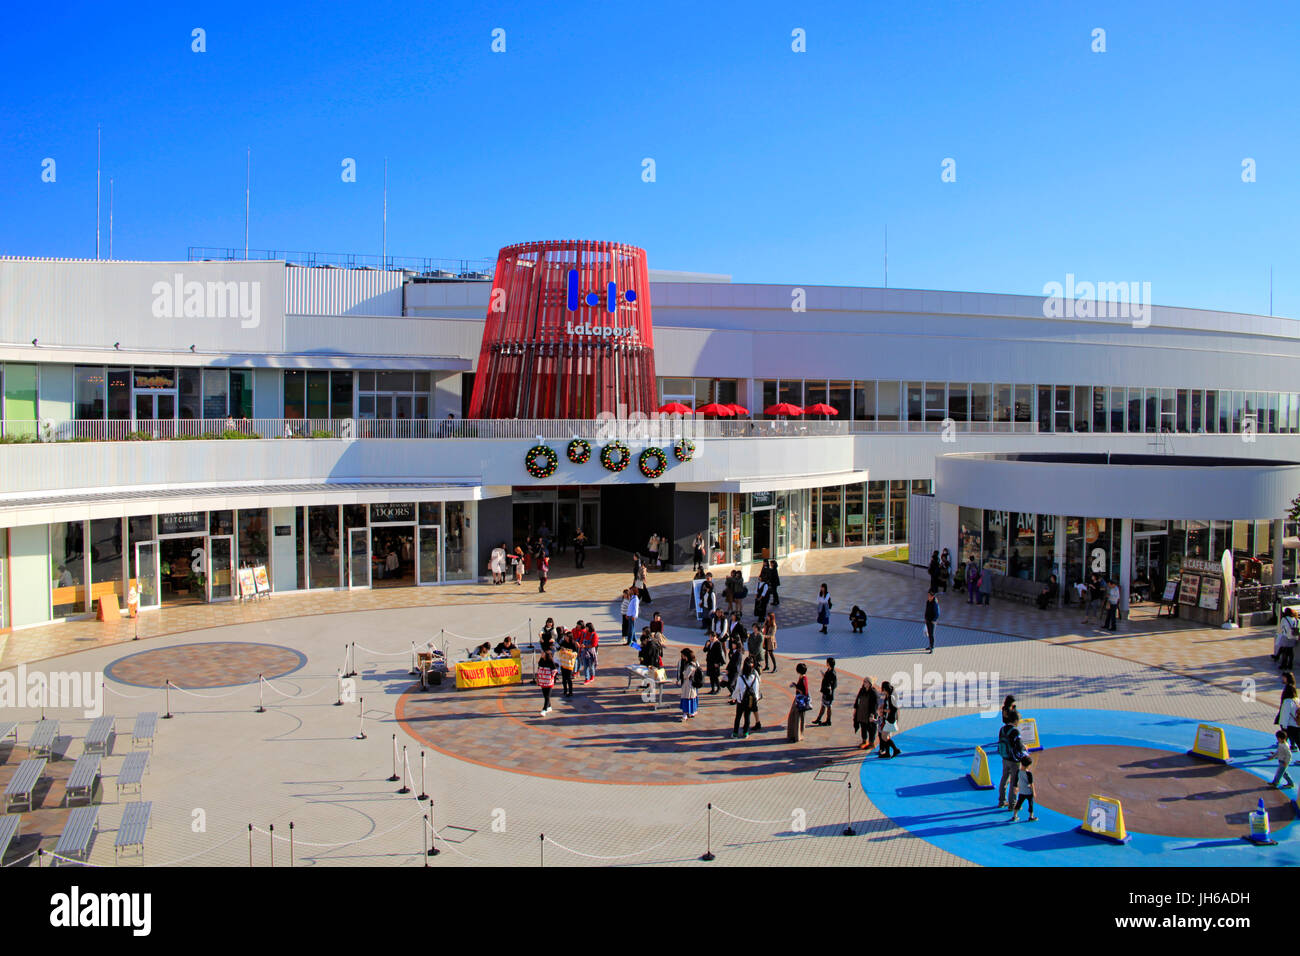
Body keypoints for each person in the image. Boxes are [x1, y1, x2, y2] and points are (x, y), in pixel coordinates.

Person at [997, 713, 1029, 808]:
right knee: (1014, 781)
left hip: (1005, 757)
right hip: (1014, 760)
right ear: (1015, 720)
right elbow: (1019, 746)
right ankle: (1013, 803)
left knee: (1004, 778)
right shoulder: (1015, 731)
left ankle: (1002, 801)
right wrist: (1025, 748)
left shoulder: (1002, 729)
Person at [730, 657, 762, 738]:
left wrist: (733, 697)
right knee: (747, 717)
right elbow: (756, 690)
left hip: (741, 700)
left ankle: (735, 733)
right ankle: (745, 733)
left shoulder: (741, 678)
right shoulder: (755, 678)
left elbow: (737, 690)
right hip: (750, 700)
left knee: (738, 717)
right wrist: (757, 698)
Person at [852, 677, 879, 751]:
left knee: (871, 729)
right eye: (864, 682)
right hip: (861, 712)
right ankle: (864, 741)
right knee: (863, 727)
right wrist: (855, 709)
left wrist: (872, 715)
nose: (864, 683)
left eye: (866, 682)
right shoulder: (862, 690)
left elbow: (875, 705)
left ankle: (871, 743)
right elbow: (857, 699)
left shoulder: (873, 693)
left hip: (869, 713)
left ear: (870, 684)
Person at [876, 680, 902, 757]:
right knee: (885, 736)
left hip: (890, 719)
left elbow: (893, 709)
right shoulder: (888, 696)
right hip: (887, 719)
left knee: (884, 736)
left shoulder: (891, 697)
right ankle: (888, 752)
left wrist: (883, 710)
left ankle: (895, 749)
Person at [811, 657, 837, 726]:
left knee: (828, 706)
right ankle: (819, 719)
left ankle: (828, 720)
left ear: (829, 664)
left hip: (828, 693)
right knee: (823, 705)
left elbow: (833, 684)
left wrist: (830, 688)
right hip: (825, 691)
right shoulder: (829, 670)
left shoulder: (832, 673)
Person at [1010, 756, 1037, 821]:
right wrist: (1034, 792)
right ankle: (1031, 816)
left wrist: (1015, 788)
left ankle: (1015, 815)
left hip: (1021, 791)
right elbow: (1031, 783)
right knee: (1030, 804)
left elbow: (1015, 780)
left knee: (1019, 803)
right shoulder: (1029, 773)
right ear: (1029, 765)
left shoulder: (1018, 771)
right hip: (1028, 792)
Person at [789, 662, 811, 740]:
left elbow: (804, 691)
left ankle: (797, 735)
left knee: (798, 717)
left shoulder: (804, 679)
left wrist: (796, 687)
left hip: (801, 700)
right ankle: (795, 734)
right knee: (794, 716)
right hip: (799, 699)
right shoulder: (801, 677)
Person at [678, 648, 700, 721]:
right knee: (690, 698)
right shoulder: (694, 663)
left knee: (687, 699)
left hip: (688, 685)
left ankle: (685, 714)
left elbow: (685, 675)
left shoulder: (690, 666)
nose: (682, 657)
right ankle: (691, 712)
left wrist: (683, 673)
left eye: (683, 655)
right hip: (691, 685)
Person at [557, 629, 578, 698]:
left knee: (568, 678)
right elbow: (559, 650)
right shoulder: (563, 642)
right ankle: (565, 690)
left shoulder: (573, 644)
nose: (565, 638)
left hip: (569, 664)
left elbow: (575, 654)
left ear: (569, 637)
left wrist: (567, 652)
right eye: (564, 636)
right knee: (563, 678)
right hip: (563, 663)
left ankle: (570, 691)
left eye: (566, 636)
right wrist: (561, 650)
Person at [536, 651, 558, 716]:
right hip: (542, 681)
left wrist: (550, 676)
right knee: (545, 695)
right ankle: (549, 706)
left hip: (548, 681)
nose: (541, 654)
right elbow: (539, 669)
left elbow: (554, 670)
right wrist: (538, 678)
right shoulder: (541, 661)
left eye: (543, 653)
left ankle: (544, 709)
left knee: (547, 696)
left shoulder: (551, 662)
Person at [1279, 685, 1300, 752]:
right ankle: (1280, 752)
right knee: (1298, 741)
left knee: (1282, 739)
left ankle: (1280, 753)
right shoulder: (1297, 700)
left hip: (1290, 724)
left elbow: (1285, 714)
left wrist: (1284, 726)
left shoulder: (1287, 701)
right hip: (1297, 723)